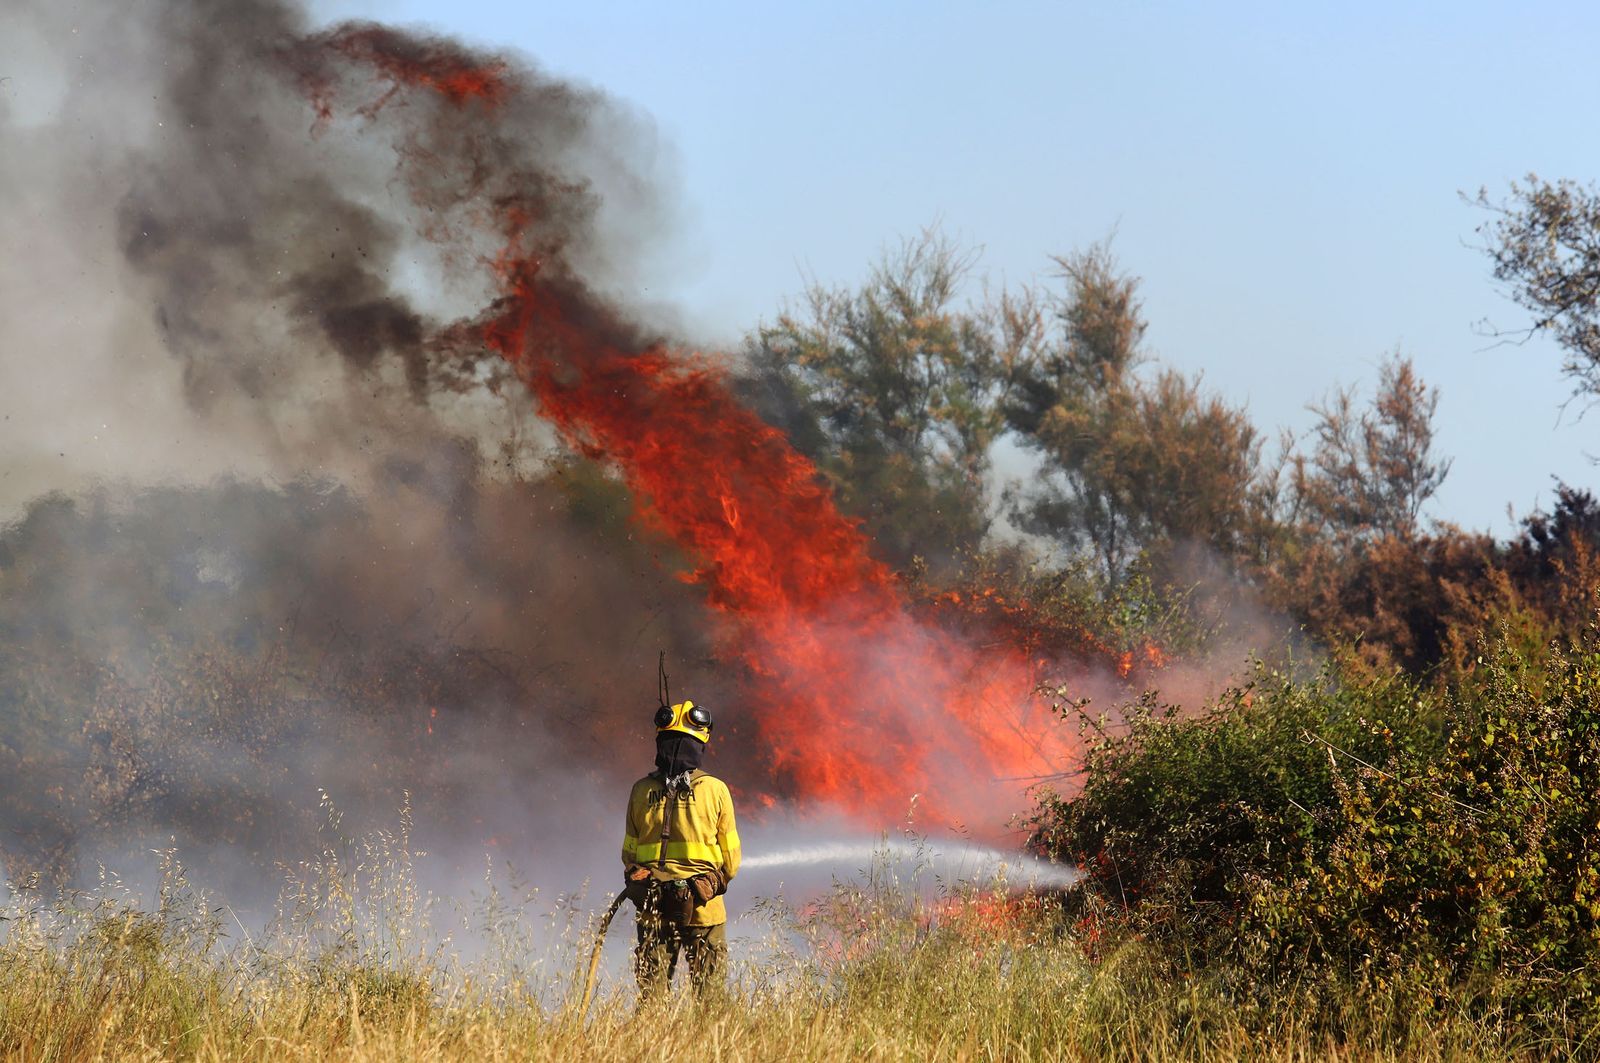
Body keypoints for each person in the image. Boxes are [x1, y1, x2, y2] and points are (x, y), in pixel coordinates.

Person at [621, 698, 741, 999]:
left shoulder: (641, 790)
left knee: (651, 1000)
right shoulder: (715, 790)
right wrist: (711, 881)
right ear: (700, 744)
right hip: (704, 910)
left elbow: (629, 854)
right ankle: (711, 1046)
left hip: (653, 910)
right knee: (710, 1000)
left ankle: (653, 1046)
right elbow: (731, 859)